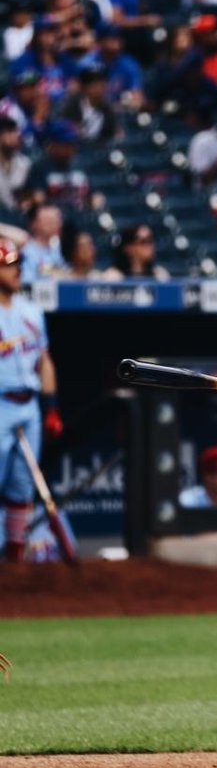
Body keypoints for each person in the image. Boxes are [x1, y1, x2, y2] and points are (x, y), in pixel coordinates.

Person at [0, 238, 62, 562]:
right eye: (8, 265)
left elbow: (44, 361)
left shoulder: (31, 312)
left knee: (22, 487)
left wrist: (50, 408)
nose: (16, 270)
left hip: (28, 405)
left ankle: (13, 559)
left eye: (17, 264)